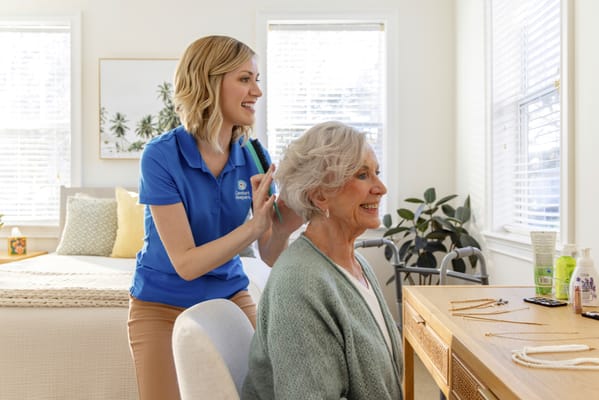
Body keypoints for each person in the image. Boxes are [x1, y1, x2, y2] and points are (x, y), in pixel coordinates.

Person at [128, 35, 302, 400]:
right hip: (161, 305)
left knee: (264, 391)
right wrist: (253, 227)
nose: (257, 91)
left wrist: (281, 228)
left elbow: (268, 254)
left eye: (257, 79)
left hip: (229, 295)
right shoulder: (160, 157)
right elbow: (186, 264)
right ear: (209, 82)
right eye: (244, 79)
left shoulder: (253, 154)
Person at [242, 121, 403, 400]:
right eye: (362, 175)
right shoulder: (299, 284)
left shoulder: (358, 266)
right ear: (319, 196)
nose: (381, 188)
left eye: (377, 173)